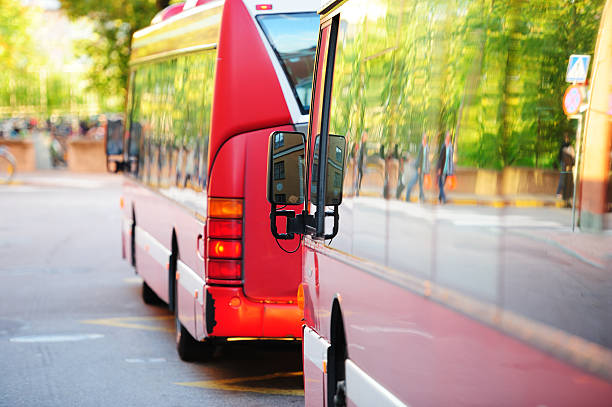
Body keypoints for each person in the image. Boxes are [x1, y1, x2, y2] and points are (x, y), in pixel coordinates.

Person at [405, 133, 429, 202]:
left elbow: (426, 159)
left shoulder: (426, 147)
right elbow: (419, 158)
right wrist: (418, 167)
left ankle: (422, 197)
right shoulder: (421, 146)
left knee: (421, 183)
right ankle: (407, 197)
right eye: (424, 138)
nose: (425, 140)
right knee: (414, 181)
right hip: (419, 168)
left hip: (423, 169)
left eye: (426, 138)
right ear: (422, 139)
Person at [556, 133, 575, 200]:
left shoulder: (570, 147)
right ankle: (559, 193)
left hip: (568, 165)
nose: (566, 139)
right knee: (563, 179)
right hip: (565, 164)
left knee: (568, 180)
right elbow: (563, 155)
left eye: (567, 138)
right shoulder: (564, 147)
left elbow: (572, 156)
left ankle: (567, 195)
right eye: (565, 138)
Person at [437, 131, 454, 204]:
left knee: (443, 184)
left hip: (447, 168)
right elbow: (440, 158)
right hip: (442, 168)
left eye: (449, 137)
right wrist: (439, 168)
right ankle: (444, 198)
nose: (448, 138)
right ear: (445, 138)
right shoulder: (443, 146)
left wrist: (451, 169)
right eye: (447, 137)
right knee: (441, 183)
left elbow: (451, 158)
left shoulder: (450, 147)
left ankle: (440, 198)